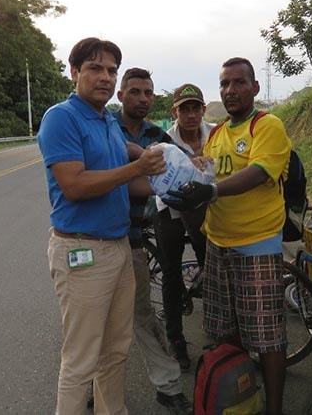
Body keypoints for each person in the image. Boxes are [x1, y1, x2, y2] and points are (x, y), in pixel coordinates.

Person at [38, 38, 165, 414]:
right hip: (82, 251)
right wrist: (137, 167)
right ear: (75, 72)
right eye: (95, 68)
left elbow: (126, 162)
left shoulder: (107, 120)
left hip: (118, 248)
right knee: (80, 359)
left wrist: (170, 171)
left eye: (111, 70)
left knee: (115, 350)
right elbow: (74, 185)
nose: (105, 77)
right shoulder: (61, 117)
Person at [165, 58, 291, 415]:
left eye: (238, 83)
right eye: (224, 84)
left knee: (267, 336)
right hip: (218, 245)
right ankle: (241, 399)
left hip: (257, 246)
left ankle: (275, 408)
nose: (230, 90)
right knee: (226, 331)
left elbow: (258, 173)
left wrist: (211, 193)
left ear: (255, 87)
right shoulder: (218, 134)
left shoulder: (267, 126)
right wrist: (184, 185)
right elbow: (207, 175)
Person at [111, 68, 193, 414]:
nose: (142, 98)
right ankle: (94, 388)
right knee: (97, 324)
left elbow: (182, 166)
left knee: (142, 314)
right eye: (135, 92)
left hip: (133, 239)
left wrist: (194, 170)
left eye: (148, 92)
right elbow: (113, 183)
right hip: (99, 236)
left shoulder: (156, 134)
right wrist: (163, 185)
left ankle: (168, 385)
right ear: (121, 95)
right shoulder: (105, 128)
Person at [153, 83, 214, 369]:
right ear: (174, 112)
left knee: (212, 267)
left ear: (203, 109)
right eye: (184, 109)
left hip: (204, 208)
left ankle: (217, 334)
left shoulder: (215, 134)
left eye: (195, 108)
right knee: (171, 273)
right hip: (170, 210)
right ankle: (176, 340)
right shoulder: (164, 140)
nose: (191, 115)